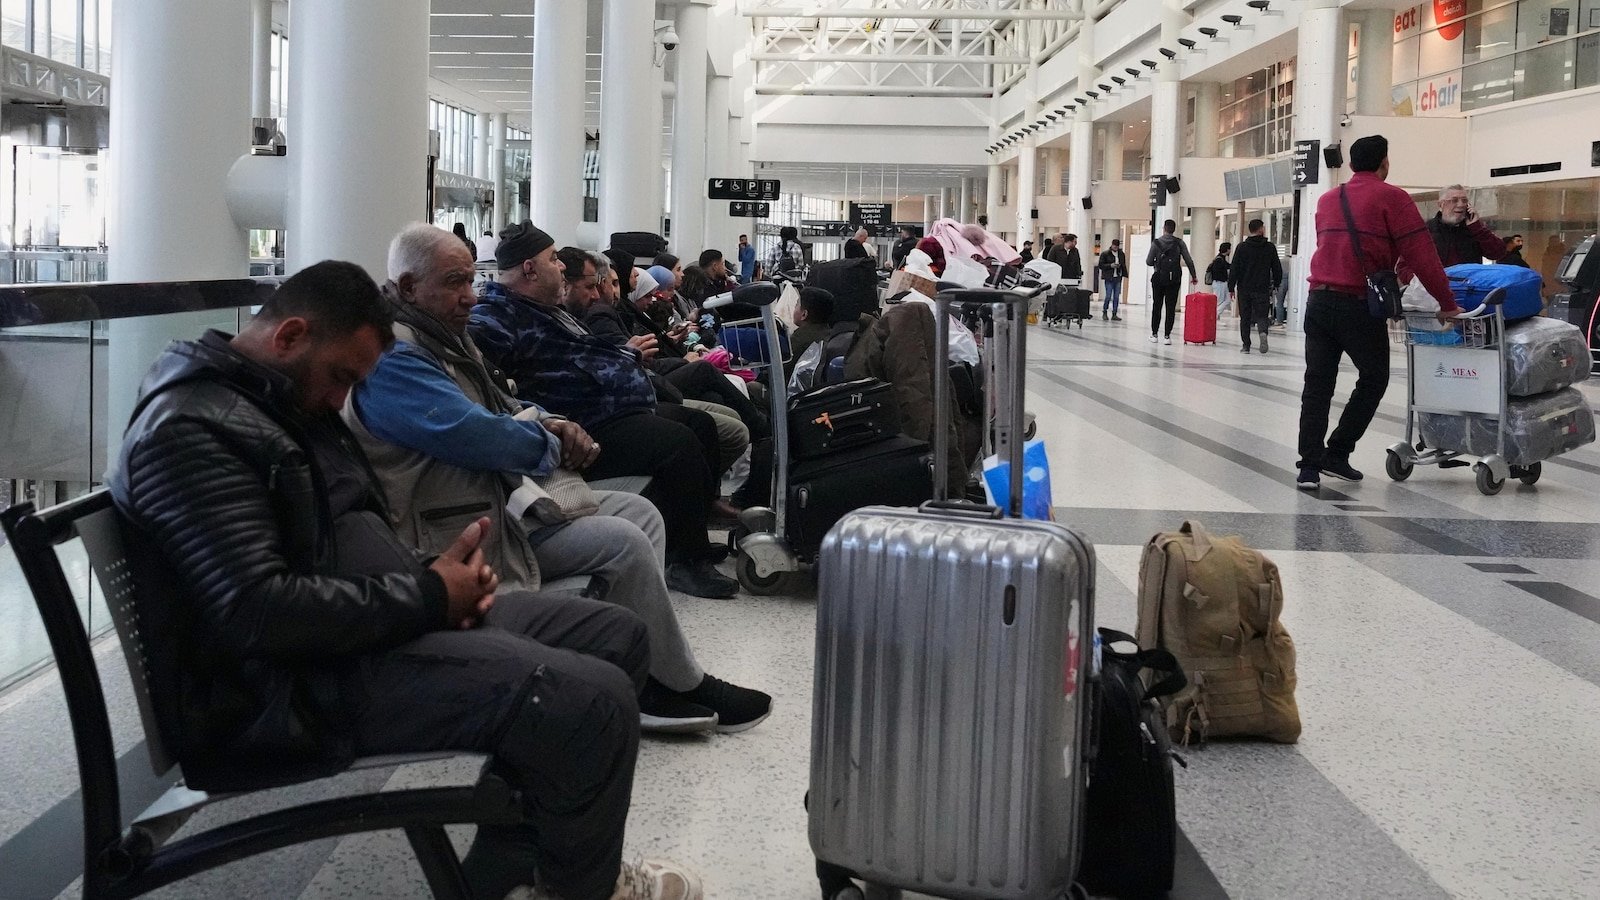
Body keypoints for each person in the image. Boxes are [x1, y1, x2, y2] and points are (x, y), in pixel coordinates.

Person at [106, 259, 703, 900]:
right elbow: (256, 612)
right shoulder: (193, 430)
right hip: (287, 693)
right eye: (340, 378)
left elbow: (335, 540)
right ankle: (580, 888)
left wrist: (429, 580)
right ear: (288, 337)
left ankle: (521, 864)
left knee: (611, 635)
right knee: (594, 702)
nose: (342, 399)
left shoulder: (272, 401)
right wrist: (425, 595)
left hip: (363, 637)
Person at [351, 224, 772, 733]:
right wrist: (550, 439)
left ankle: (645, 667)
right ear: (410, 286)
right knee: (627, 535)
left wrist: (546, 417)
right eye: (454, 282)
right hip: (452, 534)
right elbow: (477, 434)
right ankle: (673, 683)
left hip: (494, 508)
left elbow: (503, 401)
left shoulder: (447, 338)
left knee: (641, 510)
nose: (469, 294)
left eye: (470, 279)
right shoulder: (398, 356)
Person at [470, 221, 740, 598]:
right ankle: (685, 562)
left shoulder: (543, 309)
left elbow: (586, 351)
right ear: (530, 268)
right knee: (679, 443)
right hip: (582, 426)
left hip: (611, 410)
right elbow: (487, 375)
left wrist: (625, 357)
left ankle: (689, 533)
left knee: (700, 425)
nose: (561, 266)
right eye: (553, 259)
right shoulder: (496, 315)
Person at [1297, 134, 1460, 491]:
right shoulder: (1393, 198)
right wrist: (1446, 303)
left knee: (1318, 384)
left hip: (1319, 301)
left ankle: (1309, 466)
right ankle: (1337, 452)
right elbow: (1422, 256)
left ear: (1353, 165)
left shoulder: (1327, 199)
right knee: (1373, 378)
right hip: (1358, 305)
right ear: (1384, 163)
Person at [1227, 221, 1282, 354]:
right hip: (1262, 288)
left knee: (1245, 317)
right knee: (1262, 315)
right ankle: (1263, 333)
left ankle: (1246, 345)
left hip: (1244, 288)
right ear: (1261, 230)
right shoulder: (1269, 247)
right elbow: (1277, 267)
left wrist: (1231, 286)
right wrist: (1277, 283)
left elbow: (1234, 268)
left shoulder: (1242, 247)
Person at [1146, 219, 1198, 345]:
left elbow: (1148, 261)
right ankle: (1167, 336)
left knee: (1157, 305)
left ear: (1164, 228)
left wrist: (1156, 263)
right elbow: (1189, 260)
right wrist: (1194, 275)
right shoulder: (1179, 243)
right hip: (1174, 279)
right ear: (1174, 229)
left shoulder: (1156, 243)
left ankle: (1154, 334)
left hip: (1158, 277)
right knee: (1170, 307)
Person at [790, 287, 834, 364]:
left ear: (804, 314)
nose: (794, 307)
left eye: (797, 304)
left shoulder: (798, 340)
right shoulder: (831, 335)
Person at [1098, 238, 1127, 321]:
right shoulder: (1105, 254)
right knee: (1108, 295)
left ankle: (1114, 313)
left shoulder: (1121, 254)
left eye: (1117, 246)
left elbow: (1123, 264)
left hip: (1117, 277)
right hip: (1109, 277)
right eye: (1114, 246)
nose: (1116, 248)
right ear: (1112, 245)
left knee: (1116, 297)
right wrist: (1110, 265)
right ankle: (1105, 311)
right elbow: (1101, 265)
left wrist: (1121, 269)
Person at [1207, 242, 1233, 318]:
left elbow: (1229, 266)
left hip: (1222, 283)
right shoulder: (1219, 260)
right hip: (1219, 283)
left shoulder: (1221, 259)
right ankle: (1213, 314)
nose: (1230, 251)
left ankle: (1216, 313)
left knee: (1227, 300)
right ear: (1227, 249)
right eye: (1230, 249)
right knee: (1219, 301)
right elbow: (1218, 272)